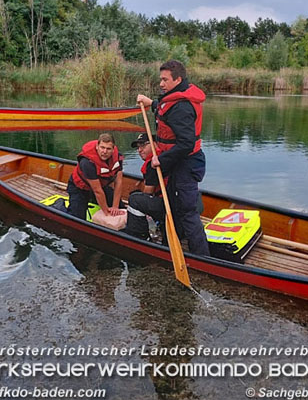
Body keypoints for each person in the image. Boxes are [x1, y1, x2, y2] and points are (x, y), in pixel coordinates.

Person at [136, 60, 210, 255]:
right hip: (176, 161)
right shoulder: (175, 99)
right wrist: (151, 103)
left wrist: (162, 159)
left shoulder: (182, 108)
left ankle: (203, 258)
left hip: (185, 163)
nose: (161, 84)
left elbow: (185, 143)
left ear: (178, 79)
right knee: (174, 206)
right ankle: (172, 245)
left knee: (188, 211)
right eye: (160, 79)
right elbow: (166, 108)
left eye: (165, 80)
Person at [66, 133, 125, 220]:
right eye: (102, 147)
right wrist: (107, 213)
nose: (104, 152)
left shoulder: (118, 158)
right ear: (97, 146)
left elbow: (118, 182)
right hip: (80, 188)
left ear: (113, 149)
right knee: (77, 218)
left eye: (108, 149)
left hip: (102, 186)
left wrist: (115, 207)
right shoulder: (87, 163)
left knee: (121, 208)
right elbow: (97, 191)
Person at [123, 133, 166, 240]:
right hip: (187, 201)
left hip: (168, 206)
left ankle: (139, 236)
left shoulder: (153, 164)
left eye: (143, 145)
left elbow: (148, 192)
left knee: (135, 200)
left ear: (154, 144)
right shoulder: (166, 156)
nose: (140, 150)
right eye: (138, 147)